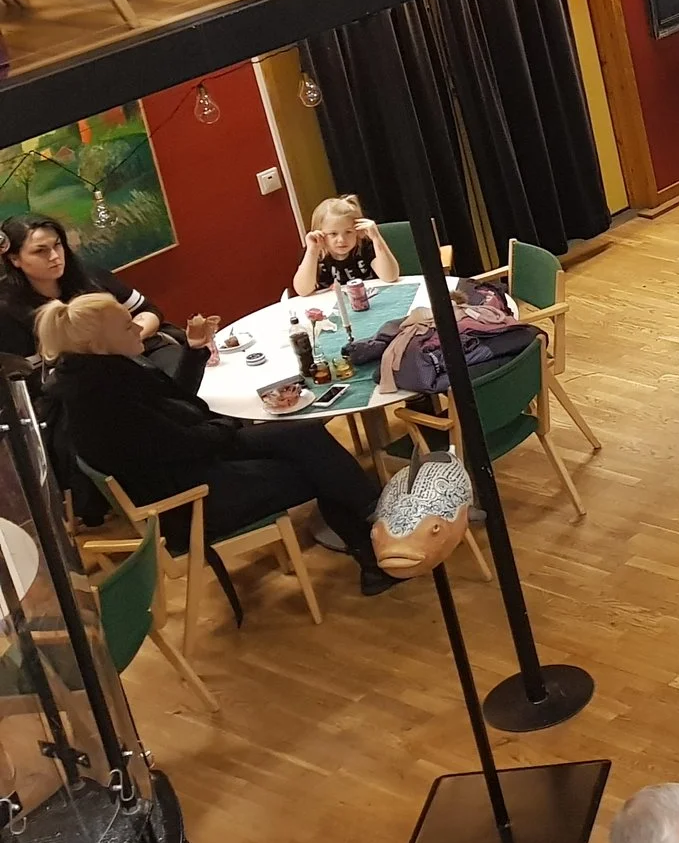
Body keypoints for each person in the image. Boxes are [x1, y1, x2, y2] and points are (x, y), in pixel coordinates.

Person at [40, 293, 398, 595]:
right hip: (192, 501)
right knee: (315, 466)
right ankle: (380, 552)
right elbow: (182, 442)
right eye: (125, 326)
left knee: (305, 435)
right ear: (96, 345)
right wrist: (229, 423)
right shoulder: (103, 401)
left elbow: (175, 408)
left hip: (194, 463)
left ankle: (377, 527)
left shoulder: (105, 373)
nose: (137, 326)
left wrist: (195, 351)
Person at [0, 214, 168, 360]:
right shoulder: (8, 309)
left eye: (57, 245)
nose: (54, 256)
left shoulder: (87, 274)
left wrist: (125, 341)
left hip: (141, 352)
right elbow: (29, 370)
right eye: (40, 251)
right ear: (15, 259)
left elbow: (148, 311)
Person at [291, 194, 402, 295]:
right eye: (333, 234)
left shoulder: (364, 246)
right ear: (320, 234)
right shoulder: (315, 253)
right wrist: (312, 251)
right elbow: (303, 291)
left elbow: (390, 276)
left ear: (358, 230)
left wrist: (376, 238)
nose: (341, 240)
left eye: (348, 232)